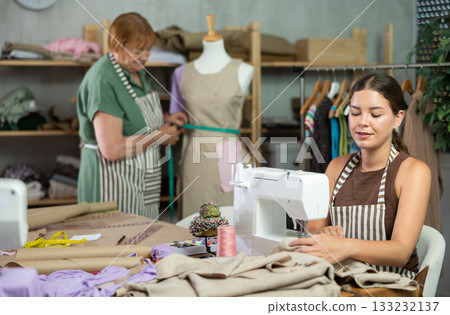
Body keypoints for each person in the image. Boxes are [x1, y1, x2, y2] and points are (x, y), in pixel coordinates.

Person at [289, 73, 431, 279]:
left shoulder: (413, 171)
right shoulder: (336, 167)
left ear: (397, 118)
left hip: (391, 285)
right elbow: (313, 229)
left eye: (375, 115)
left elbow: (401, 252)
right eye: (355, 113)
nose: (362, 122)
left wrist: (345, 246)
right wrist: (325, 234)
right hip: (343, 279)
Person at [77, 12, 187, 218]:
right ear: (117, 46)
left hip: (138, 183)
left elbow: (131, 118)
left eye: (148, 49)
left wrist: (164, 121)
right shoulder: (103, 79)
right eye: (138, 50)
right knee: (115, 247)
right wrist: (161, 136)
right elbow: (112, 149)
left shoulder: (136, 71)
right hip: (110, 183)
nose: (145, 56)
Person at [169, 23, 254, 218]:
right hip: (195, 157)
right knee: (193, 224)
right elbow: (176, 116)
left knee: (231, 221)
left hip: (230, 153)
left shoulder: (243, 69)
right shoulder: (181, 73)